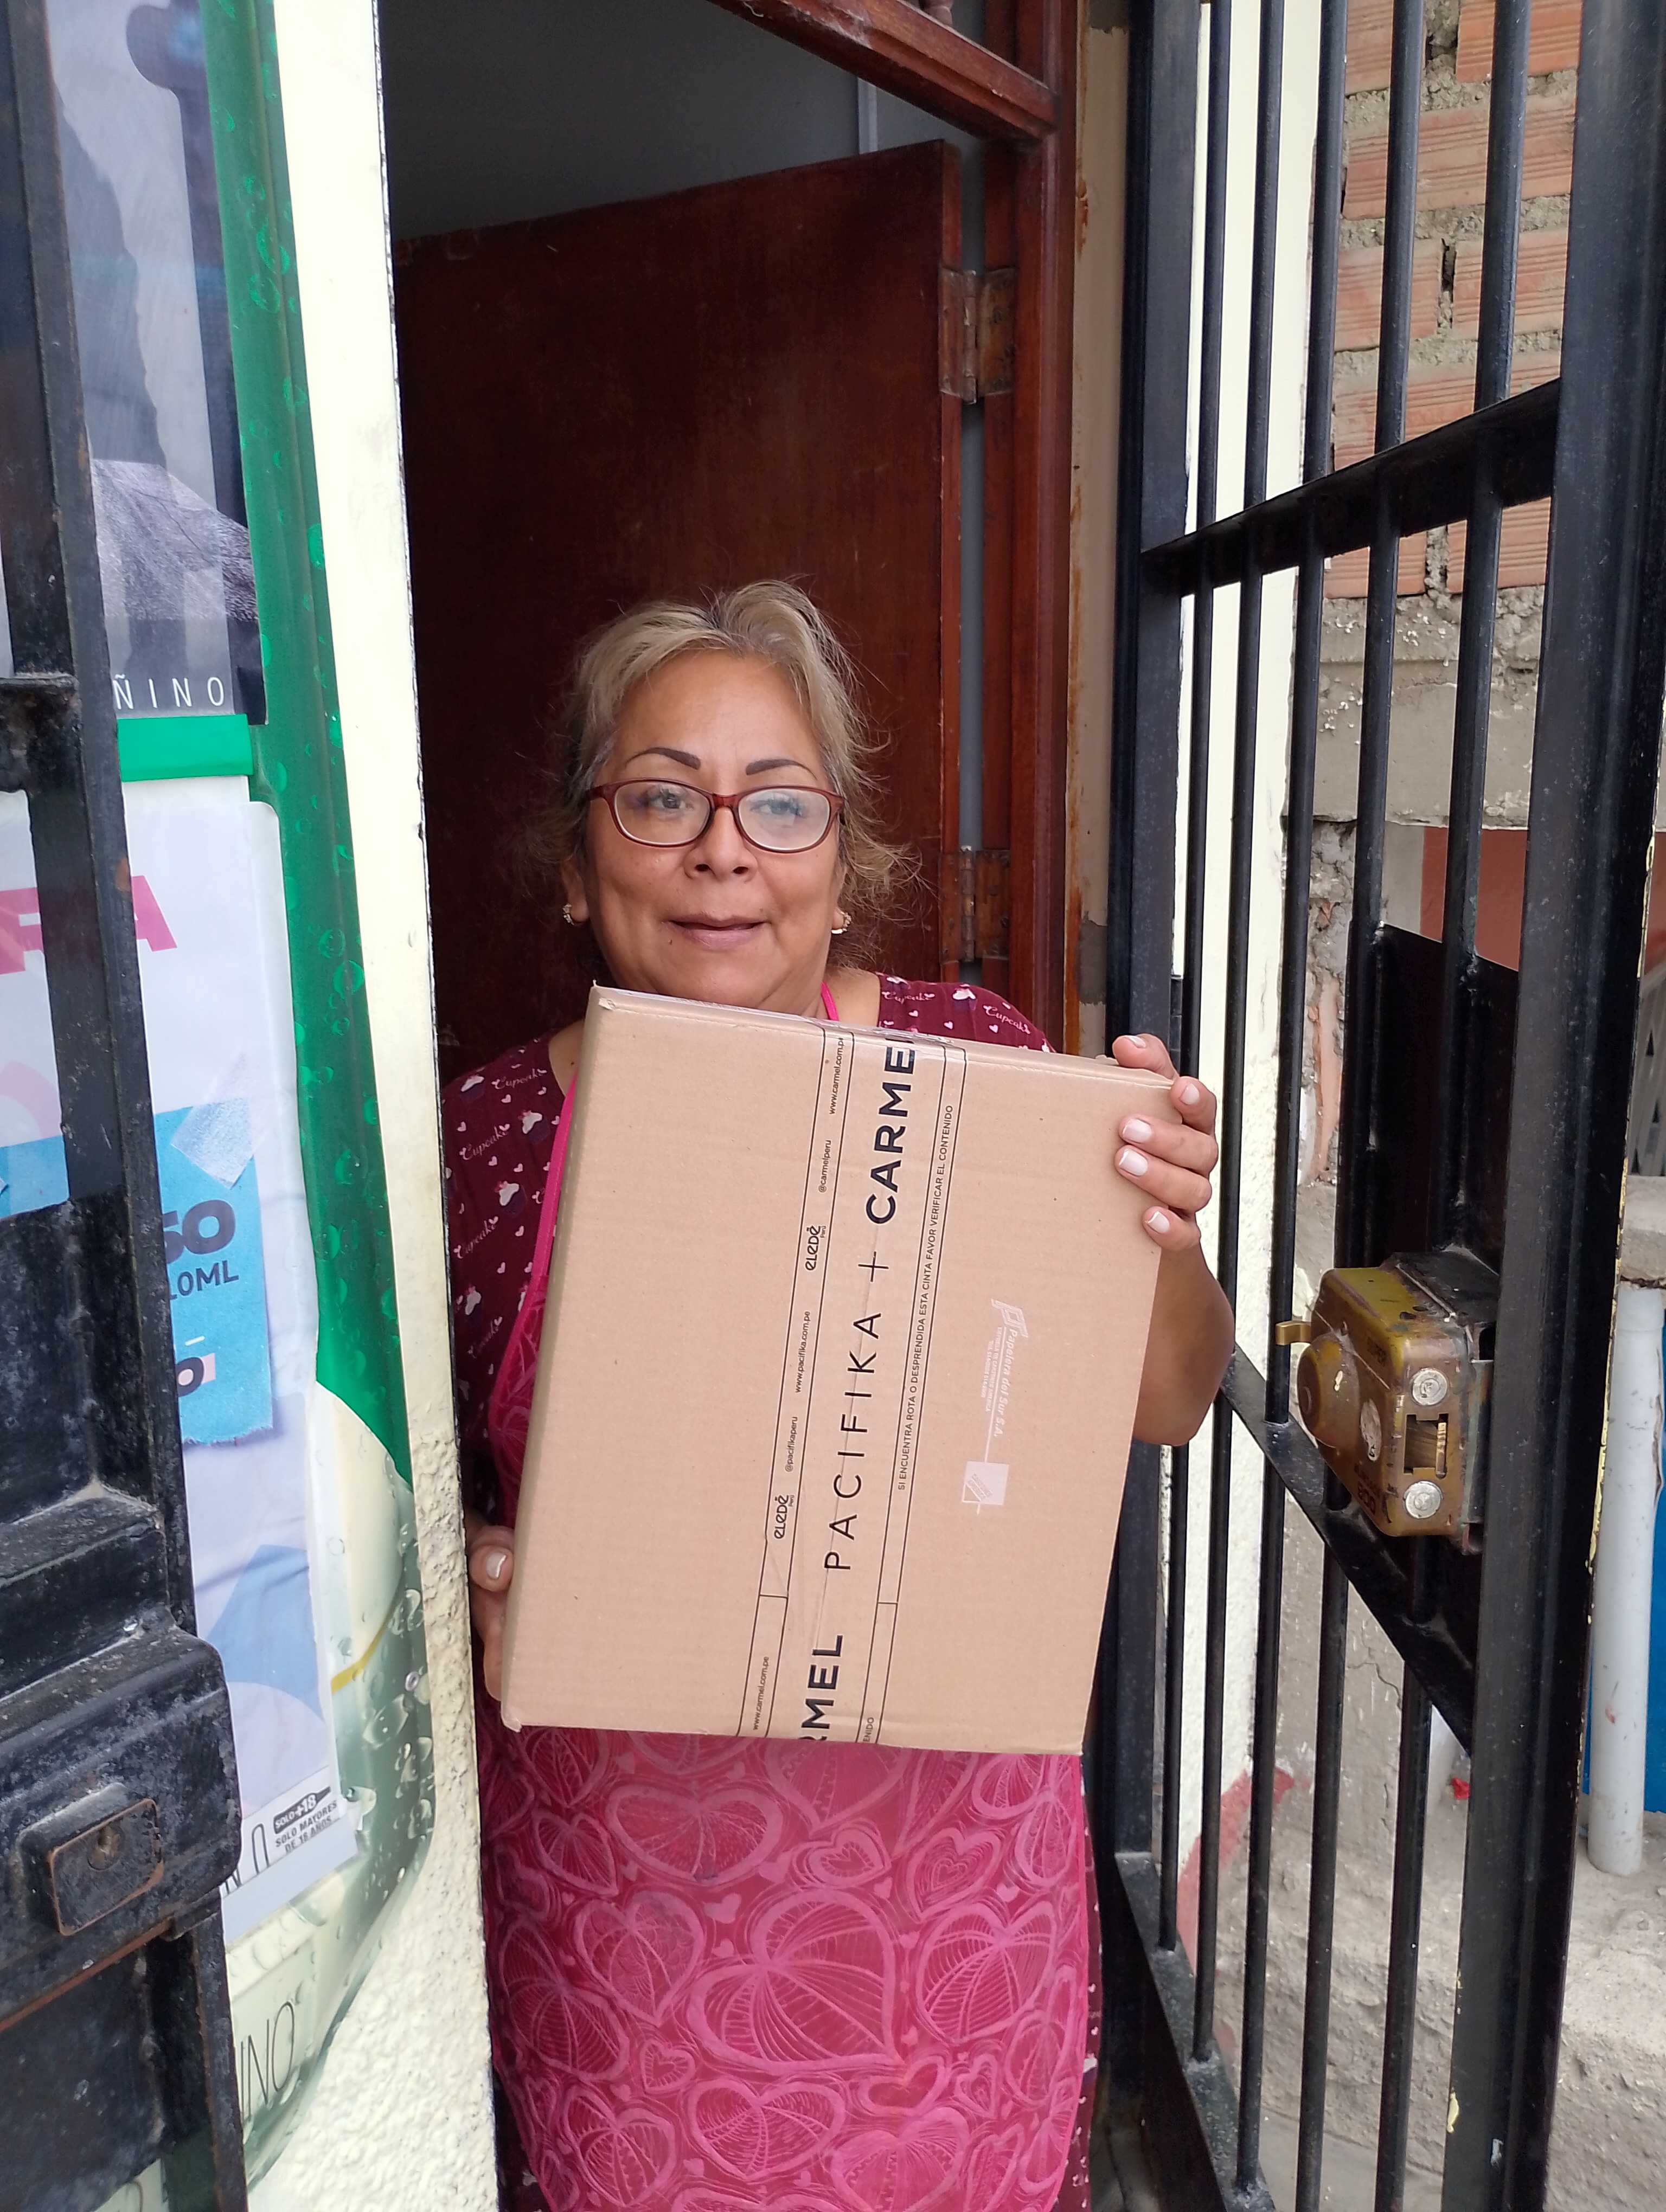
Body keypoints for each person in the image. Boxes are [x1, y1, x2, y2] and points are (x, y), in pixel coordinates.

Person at [445, 583, 1233, 2212]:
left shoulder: (986, 1067)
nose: (723, 852)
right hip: (637, 1949)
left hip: (950, 1933)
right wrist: (468, 1575)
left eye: (779, 804)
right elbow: (399, 1517)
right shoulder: (481, 1146)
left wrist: (1164, 1219)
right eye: (662, 798)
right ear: (581, 862)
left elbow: (1167, 1401)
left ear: (842, 862)